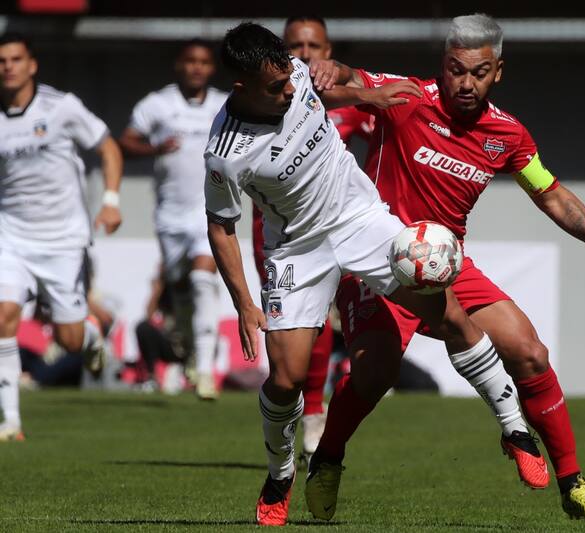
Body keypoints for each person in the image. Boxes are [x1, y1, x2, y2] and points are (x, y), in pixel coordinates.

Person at [305, 13, 585, 523]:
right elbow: (352, 80)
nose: (465, 82)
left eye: (479, 72)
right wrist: (331, 68)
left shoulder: (507, 135)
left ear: (499, 72)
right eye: (456, 69)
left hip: (446, 266)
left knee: (530, 352)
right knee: (374, 373)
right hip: (378, 260)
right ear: (442, 67)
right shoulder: (406, 98)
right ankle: (328, 458)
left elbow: (550, 193)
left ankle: (573, 482)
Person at [205, 22, 524, 526]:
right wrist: (245, 304)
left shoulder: (297, 79)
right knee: (286, 380)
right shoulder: (225, 154)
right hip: (296, 250)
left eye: (290, 78)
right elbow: (221, 228)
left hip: (360, 219)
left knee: (449, 315)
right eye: (276, 88)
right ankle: (281, 473)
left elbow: (327, 94)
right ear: (241, 87)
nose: (290, 90)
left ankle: (514, 429)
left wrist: (372, 95)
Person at [250, 15, 373, 467]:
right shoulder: (268, 102)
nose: (304, 53)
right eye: (295, 45)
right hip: (284, 234)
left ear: (328, 49)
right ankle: (313, 416)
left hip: (345, 224)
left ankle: (332, 411)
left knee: (355, 314)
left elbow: (386, 137)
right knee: (308, 327)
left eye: (314, 45)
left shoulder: (348, 103)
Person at [0, 33, 123, 441]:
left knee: (69, 339)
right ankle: (11, 422)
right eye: (2, 60)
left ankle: (90, 339)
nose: (8, 67)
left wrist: (110, 200)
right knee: (3, 314)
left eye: (16, 59)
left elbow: (108, 148)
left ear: (31, 65)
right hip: (11, 235)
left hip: (63, 239)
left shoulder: (61, 107)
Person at [119, 40, 227, 400]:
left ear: (211, 68)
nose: (196, 68)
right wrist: (154, 148)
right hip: (169, 215)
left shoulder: (223, 104)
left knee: (202, 279)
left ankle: (206, 370)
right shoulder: (157, 104)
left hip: (208, 210)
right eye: (190, 61)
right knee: (180, 289)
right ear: (178, 65)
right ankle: (189, 348)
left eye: (203, 62)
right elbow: (126, 142)